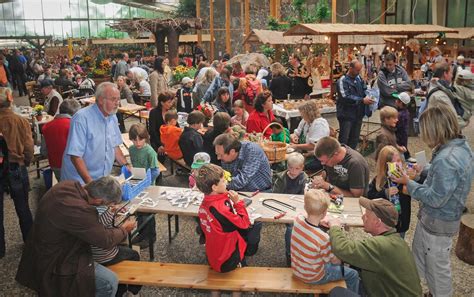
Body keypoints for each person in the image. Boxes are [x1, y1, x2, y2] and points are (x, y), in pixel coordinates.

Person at [391, 105, 472, 297]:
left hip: (438, 222)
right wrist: (425, 171)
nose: (423, 136)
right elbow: (448, 181)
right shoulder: (460, 146)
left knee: (437, 270)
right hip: (437, 219)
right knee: (423, 257)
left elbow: (436, 198)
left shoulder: (446, 158)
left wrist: (408, 183)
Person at [15, 176, 137, 297]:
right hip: (56, 260)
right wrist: (124, 229)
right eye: (109, 204)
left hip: (40, 250)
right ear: (99, 201)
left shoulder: (68, 184)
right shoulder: (80, 210)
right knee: (109, 282)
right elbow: (105, 240)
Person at [322, 198, 422, 297]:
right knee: (353, 269)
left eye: (367, 215)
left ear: (377, 222)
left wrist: (334, 226)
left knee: (337, 293)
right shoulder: (396, 241)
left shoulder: (381, 245)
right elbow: (354, 251)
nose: (362, 217)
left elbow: (341, 248)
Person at [195, 164, 262, 297]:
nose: (227, 182)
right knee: (236, 282)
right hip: (229, 256)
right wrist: (238, 203)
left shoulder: (205, 203)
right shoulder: (220, 208)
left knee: (216, 280)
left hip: (213, 254)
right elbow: (244, 224)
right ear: (214, 187)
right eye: (223, 180)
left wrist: (226, 196)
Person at [291, 189, 359, 293]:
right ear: (324, 213)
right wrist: (337, 232)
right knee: (353, 274)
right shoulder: (323, 238)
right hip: (314, 277)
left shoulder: (297, 220)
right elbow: (335, 261)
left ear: (305, 207)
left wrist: (319, 221)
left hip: (297, 270)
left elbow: (306, 217)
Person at [61, 82, 129, 184]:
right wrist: (91, 184)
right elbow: (75, 156)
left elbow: (115, 146)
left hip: (101, 179)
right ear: (101, 100)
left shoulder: (112, 117)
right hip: (79, 181)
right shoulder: (81, 118)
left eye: (118, 99)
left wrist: (127, 166)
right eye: (113, 99)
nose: (117, 103)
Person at [0, 89, 34, 258]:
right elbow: (28, 147)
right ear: (10, 101)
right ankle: (30, 240)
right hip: (16, 166)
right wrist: (26, 161)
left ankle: (1, 249)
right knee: (23, 207)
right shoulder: (20, 121)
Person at [273, 153, 309, 265]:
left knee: (296, 228)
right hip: (283, 207)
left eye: (297, 168)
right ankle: (289, 255)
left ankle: (302, 253)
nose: (293, 171)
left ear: (302, 167)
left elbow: (306, 196)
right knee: (291, 229)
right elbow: (276, 195)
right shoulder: (281, 178)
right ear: (287, 166)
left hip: (299, 208)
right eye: (291, 168)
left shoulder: (304, 179)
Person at [367, 145, 411, 236]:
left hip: (400, 225)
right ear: (385, 165)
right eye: (393, 163)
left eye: (398, 161)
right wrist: (385, 193)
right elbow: (370, 196)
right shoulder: (379, 180)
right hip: (382, 225)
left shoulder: (405, 179)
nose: (397, 165)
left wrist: (407, 183)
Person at [128, 123, 159, 247]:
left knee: (148, 212)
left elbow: (155, 170)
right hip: (137, 184)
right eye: (134, 140)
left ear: (145, 138)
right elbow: (133, 164)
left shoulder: (150, 151)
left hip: (149, 185)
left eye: (140, 139)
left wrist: (147, 179)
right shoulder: (131, 149)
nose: (138, 143)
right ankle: (142, 233)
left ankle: (150, 237)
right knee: (139, 211)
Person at [336, 60, 374, 149]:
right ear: (350, 68)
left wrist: (370, 95)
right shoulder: (342, 80)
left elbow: (364, 88)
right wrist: (362, 100)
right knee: (344, 139)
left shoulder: (358, 78)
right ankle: (342, 159)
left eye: (359, 70)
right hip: (346, 115)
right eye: (357, 70)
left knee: (355, 138)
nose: (358, 72)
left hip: (358, 114)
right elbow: (345, 97)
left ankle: (352, 157)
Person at [41, 99, 81, 181]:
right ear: (75, 113)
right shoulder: (74, 125)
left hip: (55, 165)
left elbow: (43, 151)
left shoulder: (46, 126)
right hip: (74, 165)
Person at [422, 62, 467, 129]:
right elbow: (454, 120)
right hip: (445, 135)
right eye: (451, 73)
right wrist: (466, 121)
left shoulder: (440, 88)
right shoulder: (440, 95)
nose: (452, 76)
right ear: (445, 74)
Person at [290, 100, 330, 171]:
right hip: (305, 154)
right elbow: (296, 133)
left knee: (294, 165)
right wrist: (294, 136)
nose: (301, 115)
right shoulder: (305, 121)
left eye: (302, 113)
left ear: (308, 113)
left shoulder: (319, 124)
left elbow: (313, 146)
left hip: (318, 157)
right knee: (290, 162)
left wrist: (296, 146)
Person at [149, 91, 176, 162]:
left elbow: (177, 126)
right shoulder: (154, 112)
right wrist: (159, 145)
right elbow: (152, 131)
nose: (171, 104)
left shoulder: (171, 111)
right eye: (169, 102)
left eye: (171, 102)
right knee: (160, 156)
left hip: (169, 139)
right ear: (162, 103)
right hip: (157, 139)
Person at [394, 92, 411, 160]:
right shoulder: (406, 112)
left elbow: (395, 128)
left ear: (400, 103)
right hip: (403, 138)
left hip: (399, 139)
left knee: (399, 157)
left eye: (397, 100)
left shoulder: (400, 115)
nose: (395, 101)